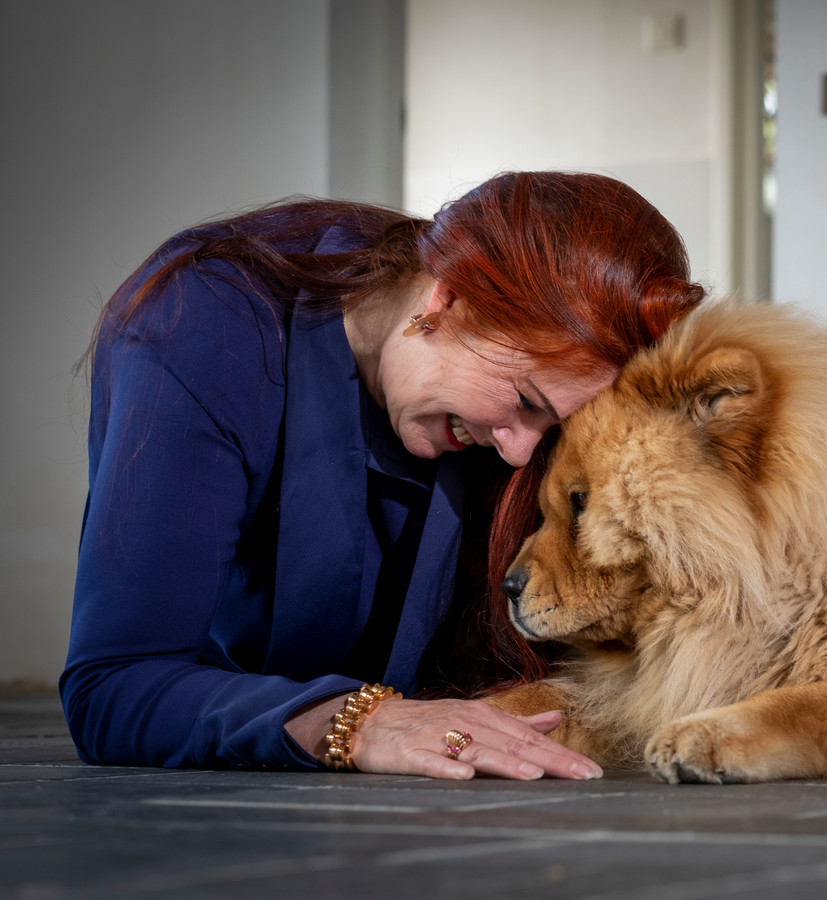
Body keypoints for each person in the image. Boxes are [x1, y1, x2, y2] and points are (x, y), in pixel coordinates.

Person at [61, 171, 705, 780]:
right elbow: (115, 685)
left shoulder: (491, 416)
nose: (516, 454)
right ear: (447, 298)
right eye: (525, 401)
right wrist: (356, 724)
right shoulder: (199, 328)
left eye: (550, 428)